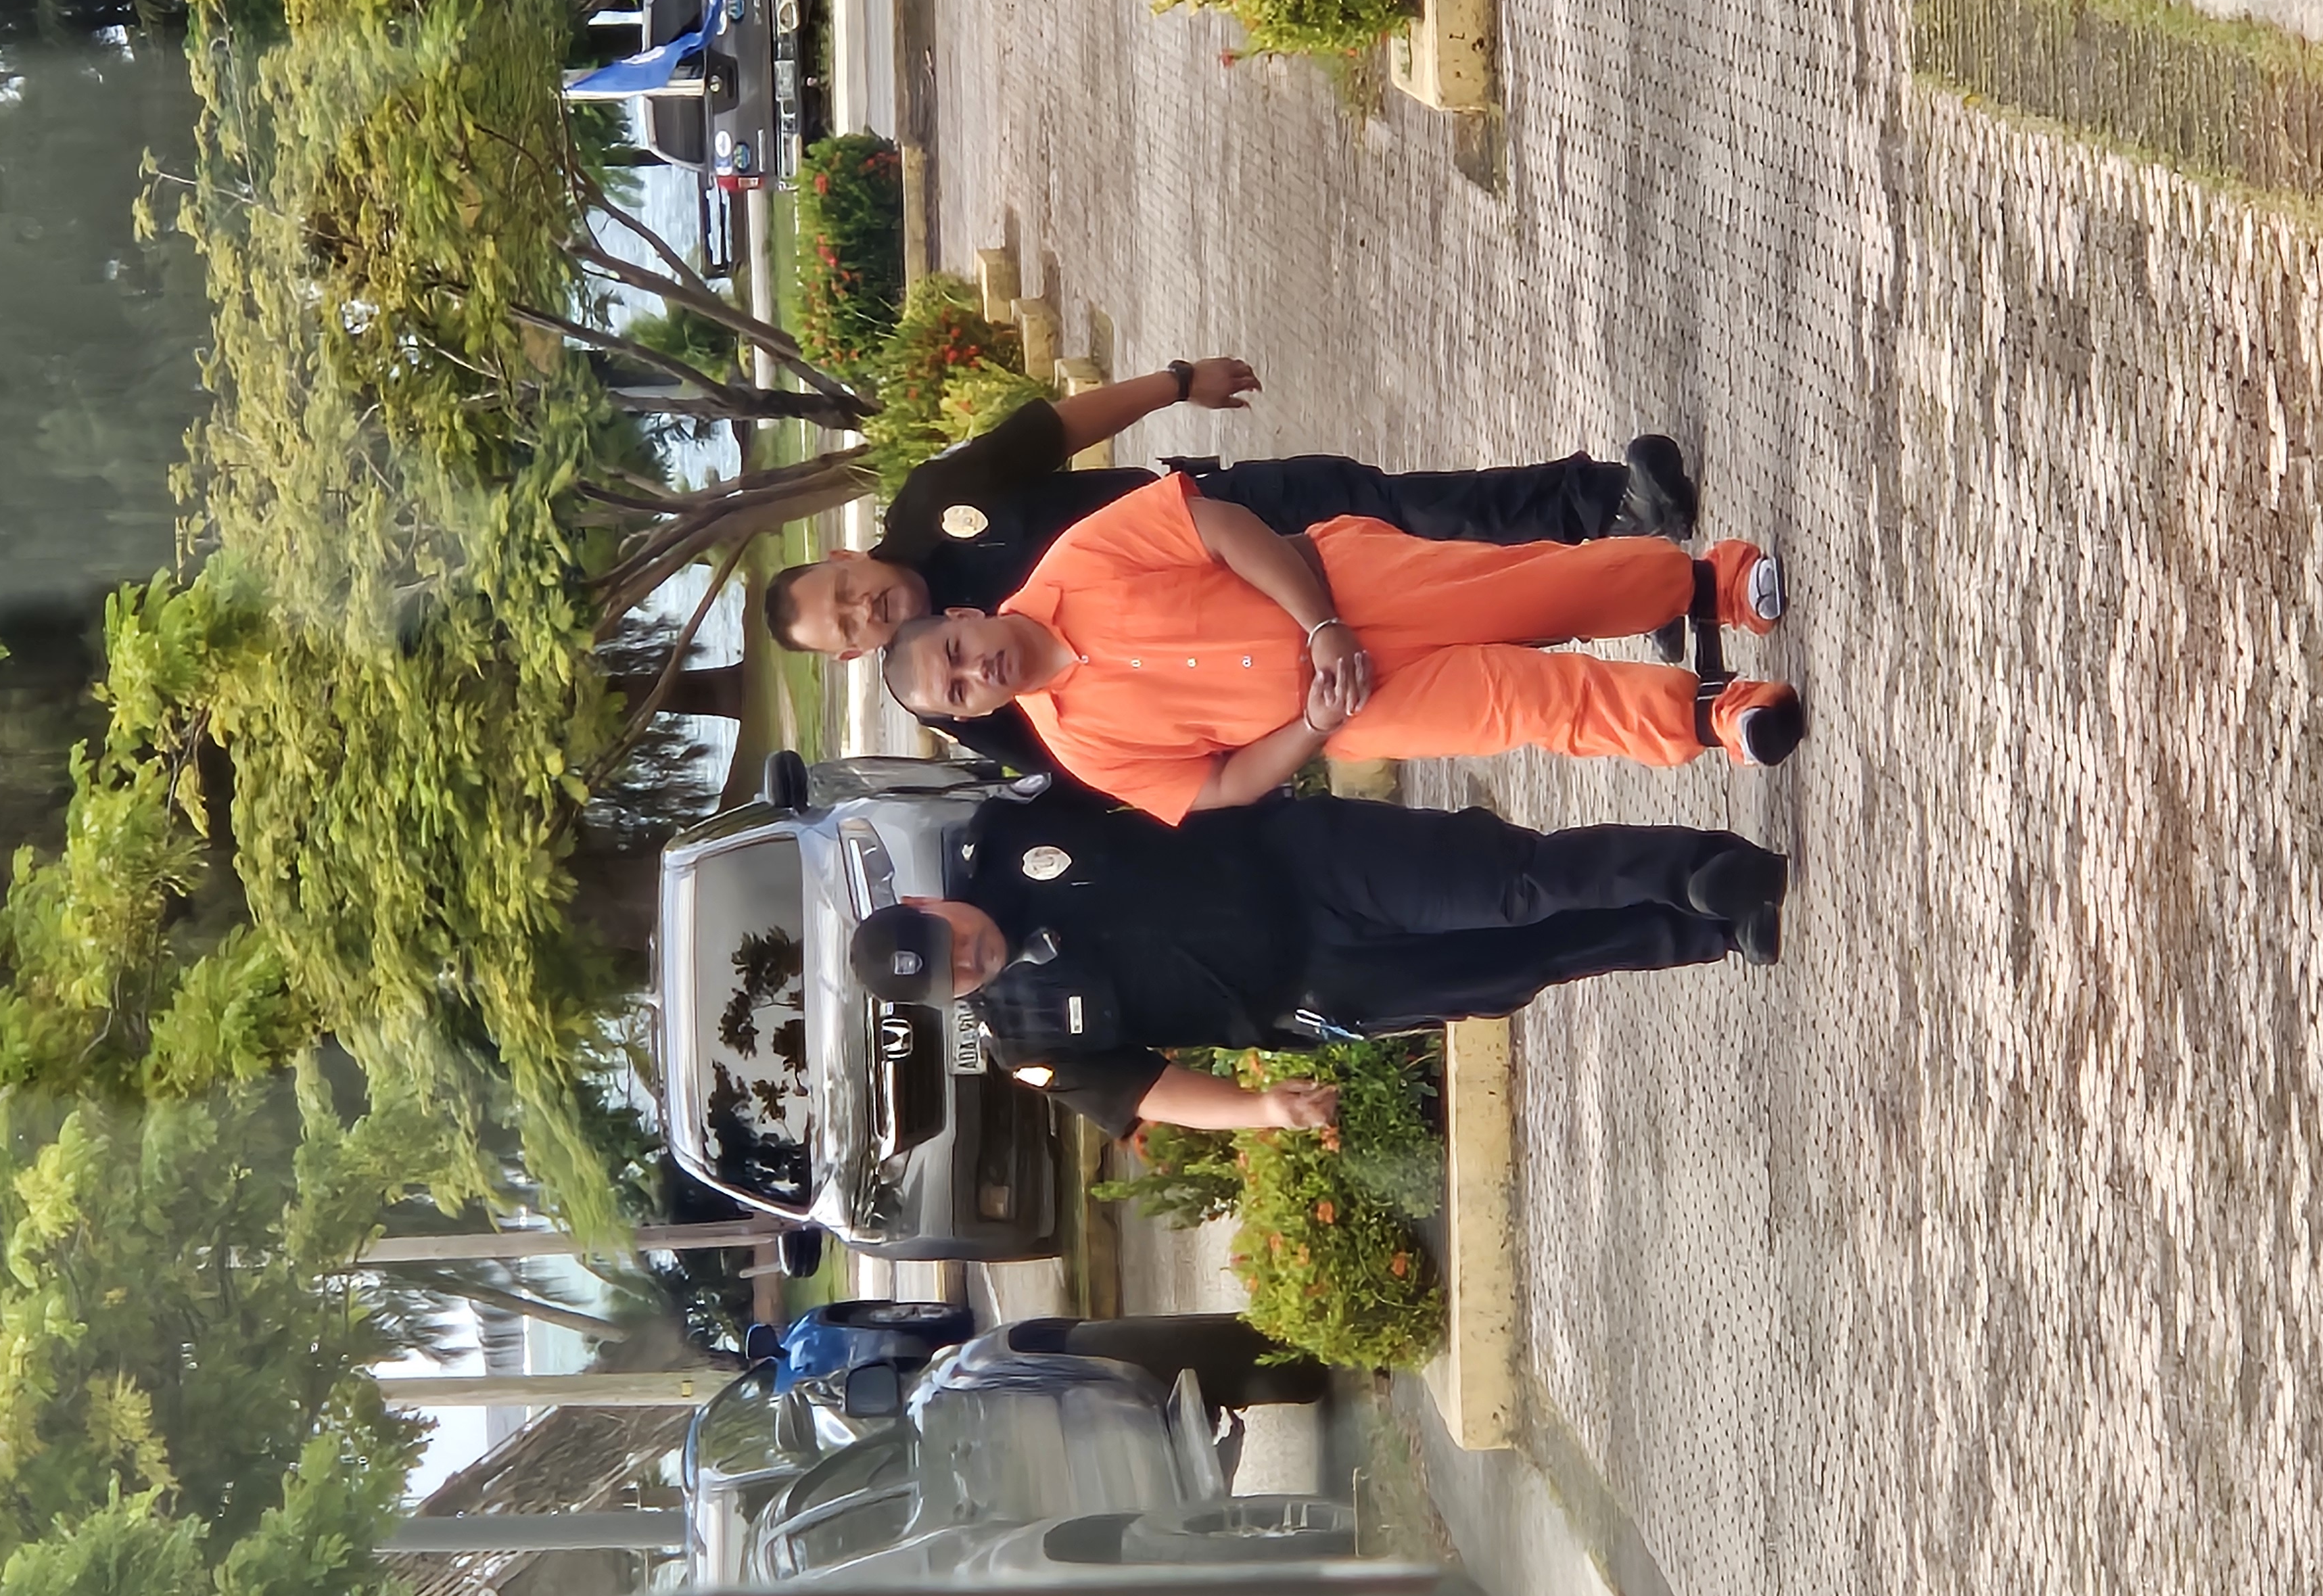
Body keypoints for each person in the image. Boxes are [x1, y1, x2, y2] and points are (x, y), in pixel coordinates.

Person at [767, 358, 1697, 770]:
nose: (864, 610)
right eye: (846, 627)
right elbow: (1092, 763)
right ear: (849, 655)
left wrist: (1176, 383)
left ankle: (1607, 504)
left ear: (847, 557)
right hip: (1269, 675)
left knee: (1412, 513)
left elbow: (1050, 431)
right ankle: (1624, 591)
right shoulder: (955, 693)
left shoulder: (932, 504)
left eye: (845, 592)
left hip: (1225, 524)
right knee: (1476, 663)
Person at [846, 787, 1789, 1135]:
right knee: (1520, 964)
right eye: (951, 976)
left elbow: (1131, 766)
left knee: (1508, 884)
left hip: (1302, 860)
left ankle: (1700, 869)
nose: (966, 958)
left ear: (927, 905)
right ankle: (1704, 933)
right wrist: (1261, 1109)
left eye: (947, 939)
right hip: (1314, 991)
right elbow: (1148, 1090)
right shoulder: (1022, 1043)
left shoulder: (1006, 833)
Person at [882, 470, 1804, 824]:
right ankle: (1716, 719)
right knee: (1530, 702)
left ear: (961, 613)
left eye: (955, 650)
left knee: (1539, 589)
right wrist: (1315, 725)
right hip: (1356, 707)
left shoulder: (1076, 559)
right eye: (958, 691)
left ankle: (1707, 586)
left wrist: (1321, 624)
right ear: (971, 714)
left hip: (1346, 587)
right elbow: (1221, 786)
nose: (973, 671)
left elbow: (1220, 527)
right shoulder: (1079, 746)